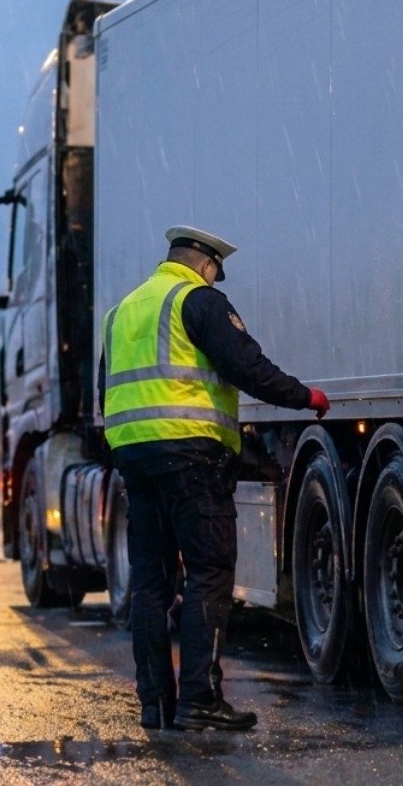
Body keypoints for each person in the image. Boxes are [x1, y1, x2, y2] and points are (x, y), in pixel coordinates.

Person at [99, 225, 330, 732]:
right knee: (209, 572)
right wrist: (304, 397)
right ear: (206, 265)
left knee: (151, 583)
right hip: (192, 458)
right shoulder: (197, 301)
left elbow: (105, 394)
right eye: (214, 272)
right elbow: (248, 367)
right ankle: (200, 699)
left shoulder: (121, 312)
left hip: (134, 460)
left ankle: (155, 704)